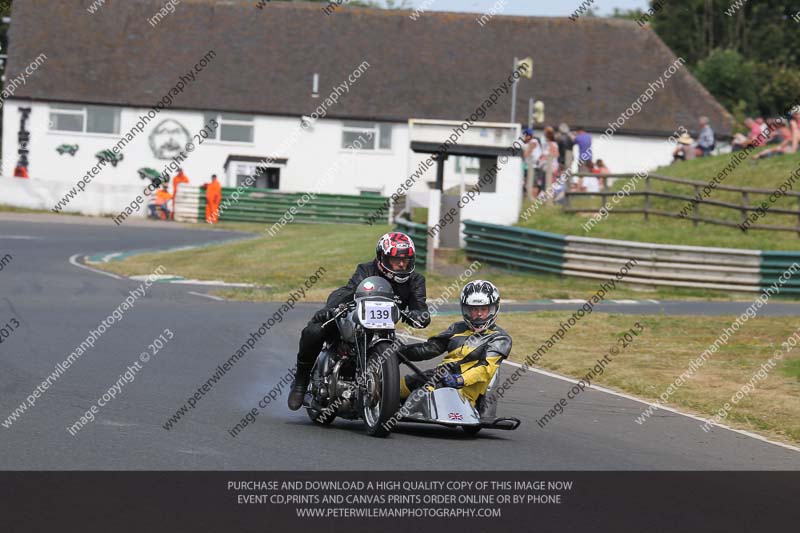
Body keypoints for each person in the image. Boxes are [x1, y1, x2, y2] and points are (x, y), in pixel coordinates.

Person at [287, 232, 431, 410]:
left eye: (406, 260)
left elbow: (421, 309)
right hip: (355, 321)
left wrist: (419, 316)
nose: (402, 264)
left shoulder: (416, 280)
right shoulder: (366, 269)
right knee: (314, 331)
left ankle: (382, 388)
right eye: (396, 260)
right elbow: (349, 291)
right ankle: (300, 381)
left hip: (384, 331)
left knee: (398, 351)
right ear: (382, 258)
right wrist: (329, 310)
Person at [398, 280, 511, 409]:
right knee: (393, 388)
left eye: (484, 309)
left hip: (465, 389)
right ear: (465, 309)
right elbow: (430, 348)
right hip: (437, 376)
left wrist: (459, 379)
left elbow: (486, 369)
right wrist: (401, 352)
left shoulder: (500, 338)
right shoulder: (457, 328)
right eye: (474, 309)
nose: (479, 314)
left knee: (421, 397)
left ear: (494, 309)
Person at [522, 128, 543, 200]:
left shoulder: (533, 142)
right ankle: (530, 198)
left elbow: (526, 154)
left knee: (534, 184)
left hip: (533, 167)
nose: (524, 137)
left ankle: (533, 199)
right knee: (528, 183)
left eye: (525, 135)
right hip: (530, 166)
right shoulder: (532, 142)